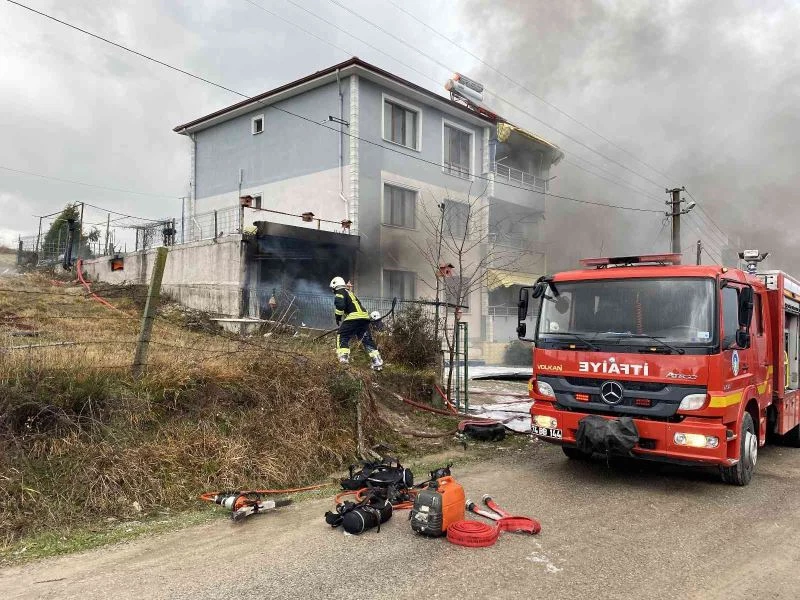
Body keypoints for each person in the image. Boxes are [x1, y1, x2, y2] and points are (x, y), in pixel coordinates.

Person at [330, 276, 383, 370]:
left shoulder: (340, 292)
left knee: (342, 336)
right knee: (366, 339)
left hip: (354, 318)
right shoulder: (349, 292)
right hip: (364, 318)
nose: (333, 291)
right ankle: (377, 361)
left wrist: (338, 317)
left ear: (335, 286)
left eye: (332, 289)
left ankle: (343, 359)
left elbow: (340, 306)